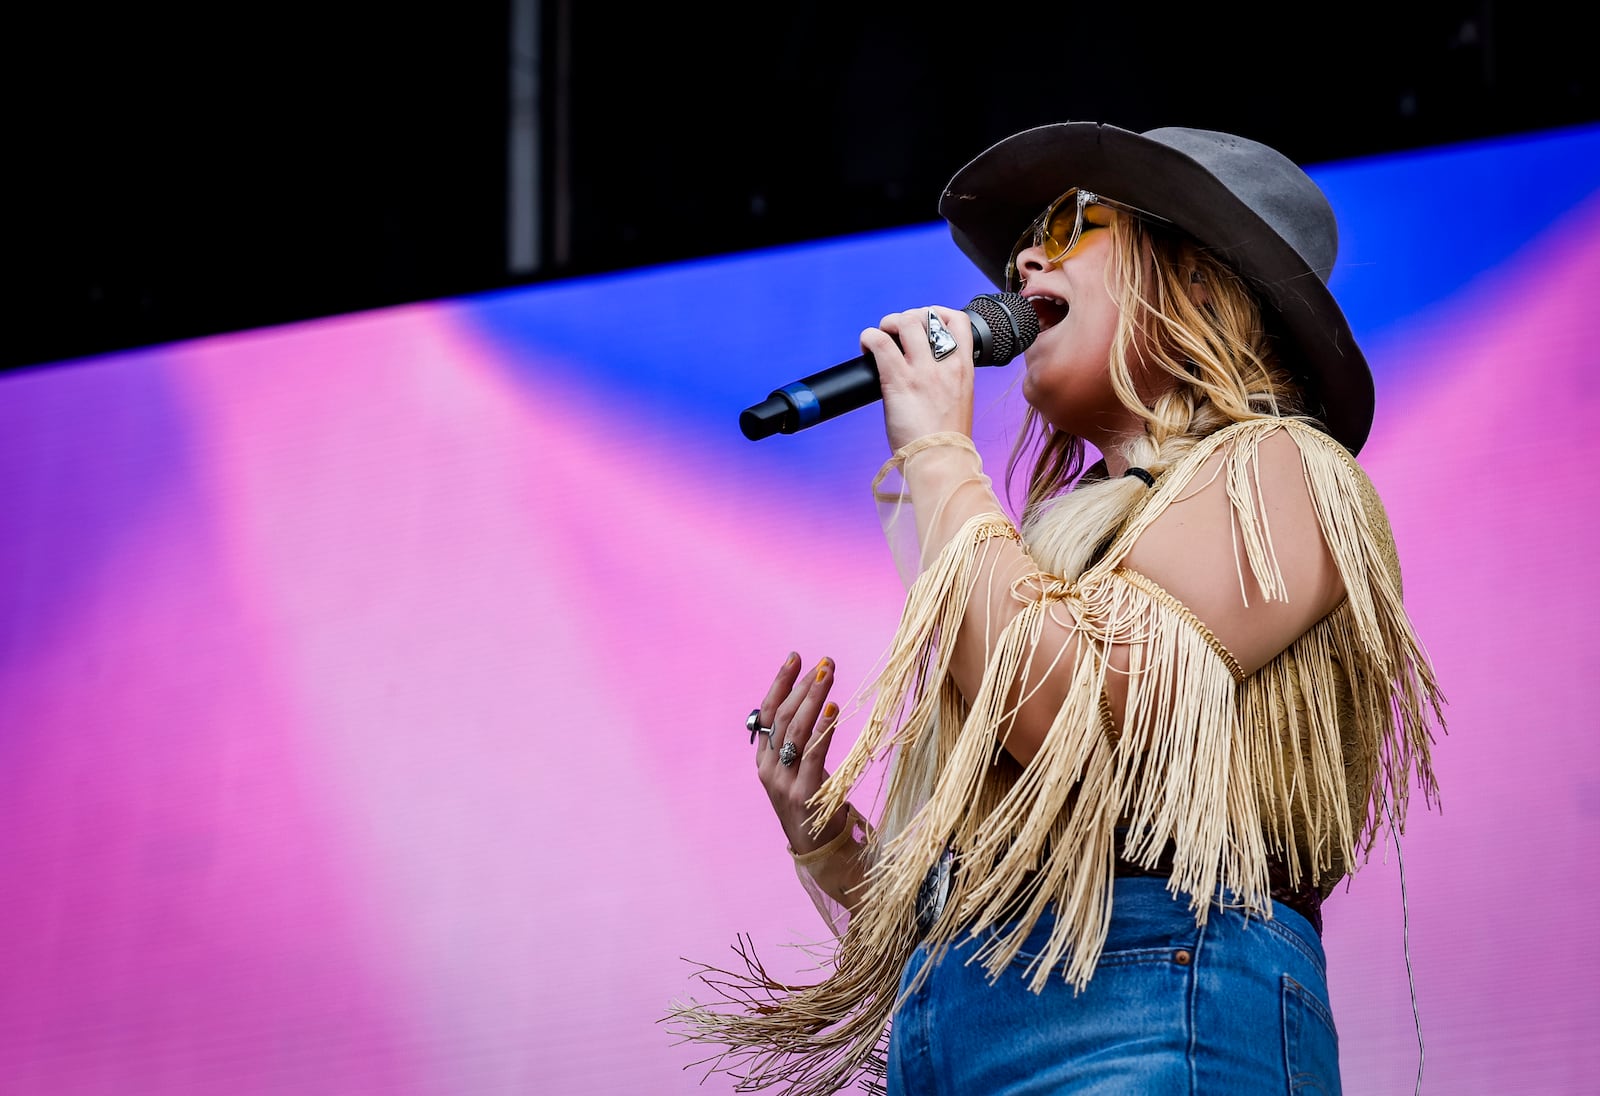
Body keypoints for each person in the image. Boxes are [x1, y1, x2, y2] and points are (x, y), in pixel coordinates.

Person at [668, 122, 1447, 1094]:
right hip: (968, 1032)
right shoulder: (1051, 557)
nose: (1027, 255)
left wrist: (936, 454)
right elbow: (1001, 908)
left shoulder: (1283, 469)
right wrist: (828, 839)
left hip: (1161, 1016)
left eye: (1076, 225)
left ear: (1201, 281)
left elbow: (1080, 703)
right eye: (1029, 235)